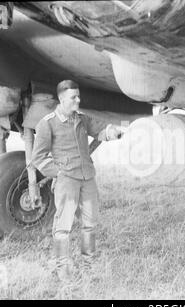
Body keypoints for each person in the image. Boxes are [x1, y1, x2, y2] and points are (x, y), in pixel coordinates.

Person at [31, 80, 125, 280]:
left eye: (78, 96)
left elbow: (99, 130)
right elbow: (38, 157)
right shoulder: (47, 123)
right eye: (74, 97)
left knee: (90, 223)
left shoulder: (81, 119)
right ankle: (62, 267)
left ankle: (88, 264)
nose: (78, 100)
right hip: (67, 180)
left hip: (87, 177)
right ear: (62, 98)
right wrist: (59, 172)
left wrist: (113, 132)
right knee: (63, 226)